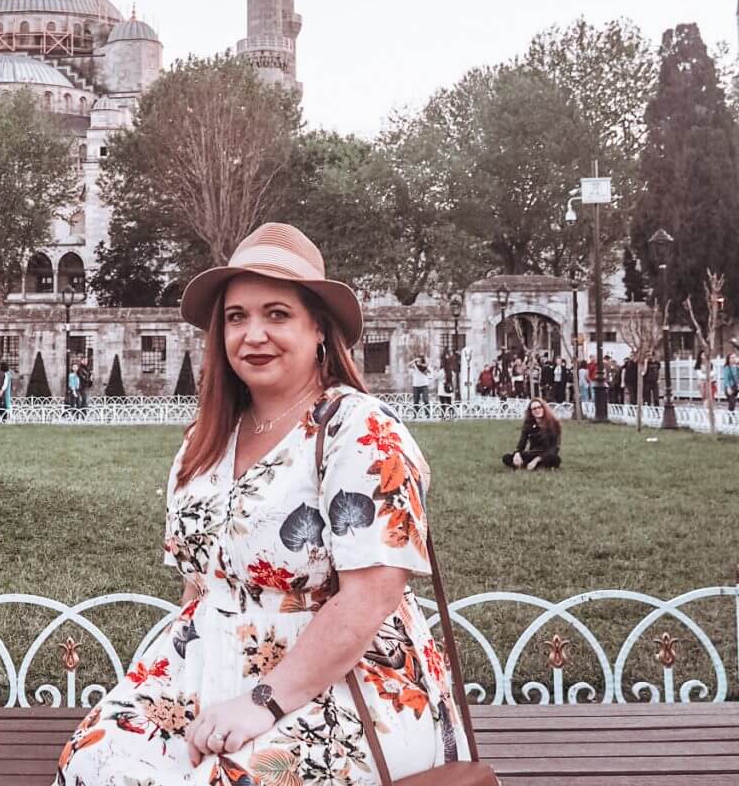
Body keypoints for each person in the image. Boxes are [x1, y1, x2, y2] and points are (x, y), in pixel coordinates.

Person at [54, 223, 469, 785]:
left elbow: (371, 597)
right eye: (237, 316)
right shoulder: (206, 439)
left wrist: (260, 703)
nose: (254, 334)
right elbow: (198, 581)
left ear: (318, 328)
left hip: (342, 684)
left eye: (277, 314)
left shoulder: (360, 430)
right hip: (204, 667)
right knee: (95, 764)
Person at [502, 397, 562, 470]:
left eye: (539, 407)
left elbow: (554, 447)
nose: (537, 410)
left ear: (544, 408)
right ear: (531, 412)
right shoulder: (528, 425)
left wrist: (536, 460)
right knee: (507, 457)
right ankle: (529, 465)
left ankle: (535, 464)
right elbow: (522, 443)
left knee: (553, 458)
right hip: (532, 453)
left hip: (547, 454)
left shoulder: (553, 424)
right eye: (534, 409)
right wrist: (517, 454)